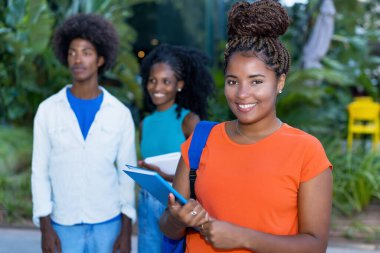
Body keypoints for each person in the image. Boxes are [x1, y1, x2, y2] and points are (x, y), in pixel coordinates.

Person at [159, 0, 333, 252]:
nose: (242, 94)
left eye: (256, 81)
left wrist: (244, 238)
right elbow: (167, 223)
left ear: (280, 82)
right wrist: (178, 219)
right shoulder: (201, 140)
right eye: (233, 81)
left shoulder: (307, 151)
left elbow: (315, 245)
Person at [31, 14, 137, 253]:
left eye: (86, 52)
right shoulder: (48, 110)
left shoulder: (119, 113)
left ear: (100, 59)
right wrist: (45, 229)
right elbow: (39, 171)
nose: (78, 59)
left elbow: (127, 174)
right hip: (62, 225)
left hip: (108, 223)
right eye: (72, 52)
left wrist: (126, 230)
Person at [137, 43, 214, 252]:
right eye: (152, 81)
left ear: (179, 84)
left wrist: (163, 175)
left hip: (175, 205)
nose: (157, 87)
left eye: (166, 81)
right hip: (146, 200)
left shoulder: (189, 120)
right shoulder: (145, 123)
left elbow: (203, 172)